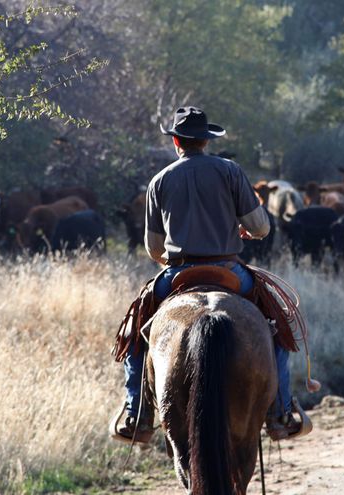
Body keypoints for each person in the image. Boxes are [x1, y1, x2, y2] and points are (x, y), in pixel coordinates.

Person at [112, 106, 304, 444]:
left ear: (176, 142)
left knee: (134, 330)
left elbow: (154, 249)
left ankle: (137, 414)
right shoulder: (230, 171)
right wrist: (243, 230)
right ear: (206, 140)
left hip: (177, 274)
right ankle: (281, 411)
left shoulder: (160, 181)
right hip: (229, 270)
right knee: (278, 322)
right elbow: (260, 227)